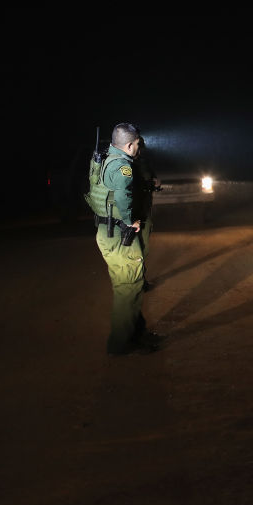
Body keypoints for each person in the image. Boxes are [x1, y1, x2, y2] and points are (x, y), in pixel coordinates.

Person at [85, 122, 163, 355]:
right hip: (119, 235)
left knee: (130, 287)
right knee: (128, 289)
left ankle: (136, 333)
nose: (139, 147)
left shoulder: (107, 158)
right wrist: (131, 221)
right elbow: (123, 196)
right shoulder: (122, 167)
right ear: (129, 145)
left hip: (108, 233)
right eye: (137, 144)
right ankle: (120, 344)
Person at [133, 135, 159, 292]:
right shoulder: (124, 164)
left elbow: (152, 177)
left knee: (143, 248)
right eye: (137, 146)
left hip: (144, 211)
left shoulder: (142, 162)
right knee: (134, 250)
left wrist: (153, 182)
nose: (139, 150)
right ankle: (135, 282)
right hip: (132, 214)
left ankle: (141, 280)